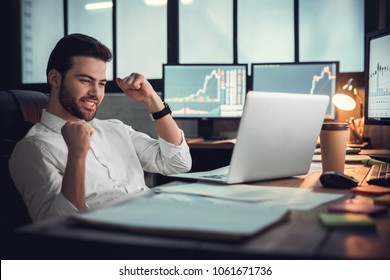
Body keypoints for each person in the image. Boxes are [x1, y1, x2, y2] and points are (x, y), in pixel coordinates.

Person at [9, 33, 192, 223]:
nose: (96, 93)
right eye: (85, 81)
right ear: (55, 79)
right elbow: (58, 226)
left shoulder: (115, 129)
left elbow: (178, 163)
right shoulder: (32, 149)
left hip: (159, 219)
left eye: (101, 83)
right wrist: (77, 155)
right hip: (118, 242)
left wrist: (151, 99)